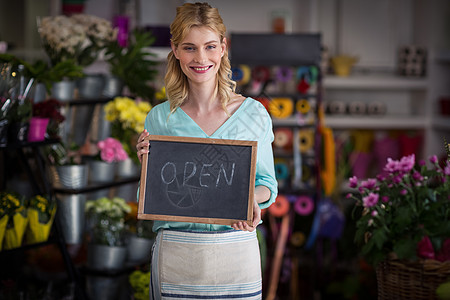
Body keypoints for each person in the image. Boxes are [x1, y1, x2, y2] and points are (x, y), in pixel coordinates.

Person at [136, 2, 277, 299]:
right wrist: (146, 167)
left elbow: (268, 185)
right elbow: (147, 198)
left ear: (223, 47)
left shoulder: (254, 114)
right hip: (176, 254)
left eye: (210, 46)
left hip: (237, 251)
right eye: (189, 48)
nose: (201, 58)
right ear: (175, 50)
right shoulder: (159, 118)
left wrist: (250, 198)